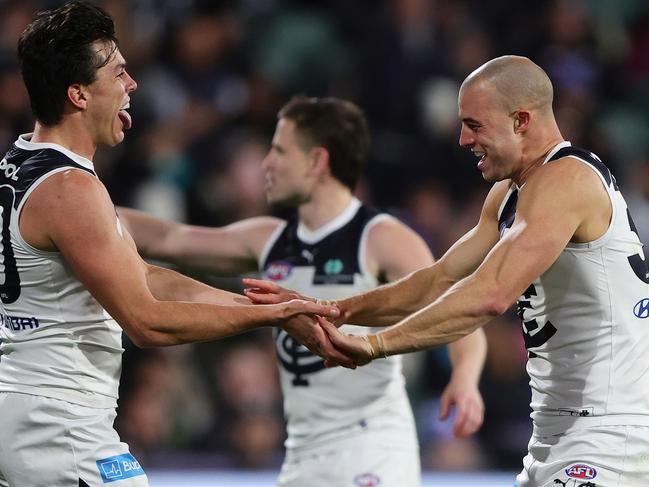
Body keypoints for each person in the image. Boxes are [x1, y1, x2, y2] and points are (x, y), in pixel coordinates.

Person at [245, 56, 649, 486]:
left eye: (474, 125)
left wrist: (378, 346)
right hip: (558, 435)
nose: (462, 139)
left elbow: (491, 293)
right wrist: (335, 310)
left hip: (610, 433)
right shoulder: (509, 193)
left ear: (521, 121)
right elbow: (438, 279)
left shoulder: (567, 180)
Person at [0, 3, 342, 486]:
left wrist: (267, 307)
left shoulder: (22, 163)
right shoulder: (68, 189)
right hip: (59, 426)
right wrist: (272, 317)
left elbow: (145, 275)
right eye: (118, 72)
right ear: (77, 93)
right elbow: (146, 321)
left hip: (30, 416)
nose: (131, 84)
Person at [119, 96, 487, 486]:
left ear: (317, 161)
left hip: (372, 445)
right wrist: (89, 208)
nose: (267, 163)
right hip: (301, 453)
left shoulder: (382, 239)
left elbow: (457, 313)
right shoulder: (268, 239)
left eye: (279, 150)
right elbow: (168, 238)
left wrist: (464, 380)